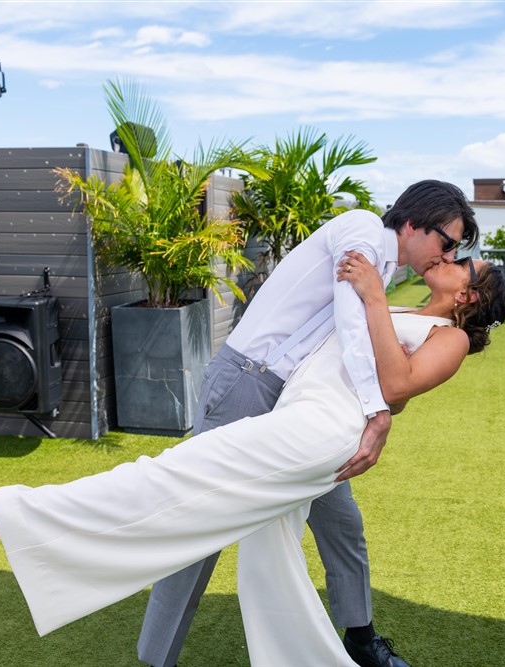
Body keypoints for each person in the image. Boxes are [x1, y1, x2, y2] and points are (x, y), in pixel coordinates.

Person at [0, 252, 505, 666]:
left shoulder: (450, 337)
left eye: (467, 265)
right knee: (273, 568)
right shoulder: (401, 304)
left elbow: (398, 386)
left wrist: (375, 299)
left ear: (470, 298)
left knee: (166, 478)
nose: (452, 259)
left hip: (316, 432)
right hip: (294, 419)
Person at [139, 180, 478, 667]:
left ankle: (361, 638)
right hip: (248, 384)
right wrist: (376, 411)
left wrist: (380, 404)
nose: (446, 257)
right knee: (198, 522)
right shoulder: (362, 231)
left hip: (298, 406)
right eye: (447, 243)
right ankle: (157, 659)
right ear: (412, 223)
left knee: (342, 523)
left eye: (457, 252)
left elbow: (381, 359)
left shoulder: (387, 273)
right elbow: (350, 320)